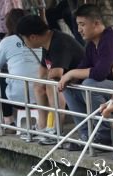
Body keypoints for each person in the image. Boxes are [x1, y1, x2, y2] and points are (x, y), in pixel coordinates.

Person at [58, 4, 113, 148]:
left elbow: (100, 73)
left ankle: (103, 135)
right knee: (69, 87)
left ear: (96, 23)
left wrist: (71, 73)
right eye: (78, 25)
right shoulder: (92, 44)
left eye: (82, 24)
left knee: (90, 84)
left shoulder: (109, 40)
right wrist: (69, 78)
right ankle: (86, 135)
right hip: (110, 92)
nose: (79, 29)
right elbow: (83, 67)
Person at [17, 14, 84, 145]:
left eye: (24, 39)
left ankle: (55, 129)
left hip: (81, 86)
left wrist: (45, 78)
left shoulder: (59, 42)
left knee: (50, 84)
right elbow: (43, 70)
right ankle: (42, 127)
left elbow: (56, 73)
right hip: (68, 85)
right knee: (39, 85)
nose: (24, 43)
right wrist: (41, 80)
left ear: (33, 37)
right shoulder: (46, 43)